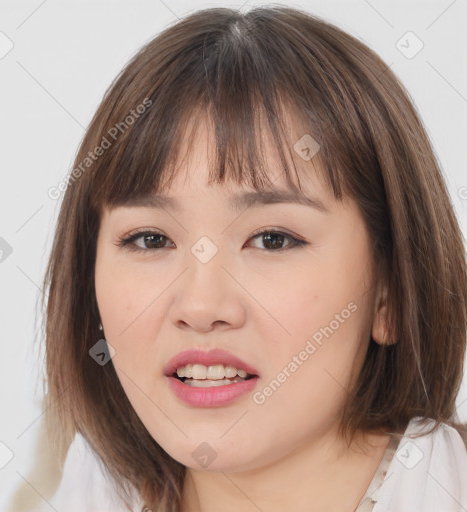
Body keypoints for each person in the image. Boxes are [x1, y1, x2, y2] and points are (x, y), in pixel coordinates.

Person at [39, 5, 467, 512]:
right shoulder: (87, 491)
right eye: (151, 240)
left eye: (272, 239)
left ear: (390, 292)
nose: (200, 306)